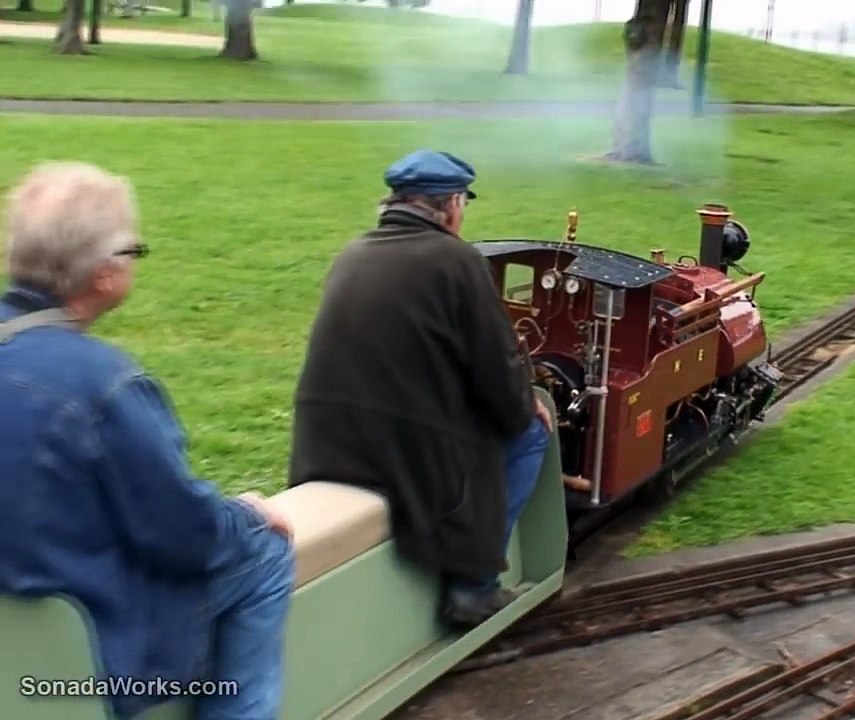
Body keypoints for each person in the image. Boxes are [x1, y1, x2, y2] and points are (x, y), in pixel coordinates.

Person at [0, 162, 296, 720]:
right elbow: (186, 536)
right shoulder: (103, 385)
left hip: (19, 615)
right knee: (265, 553)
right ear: (105, 273)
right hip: (84, 647)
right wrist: (248, 515)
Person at [288, 149, 553, 628]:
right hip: (398, 452)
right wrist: (524, 404)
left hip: (324, 445)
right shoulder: (458, 261)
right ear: (452, 205)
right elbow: (498, 376)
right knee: (530, 434)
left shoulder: (352, 253)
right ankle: (474, 586)